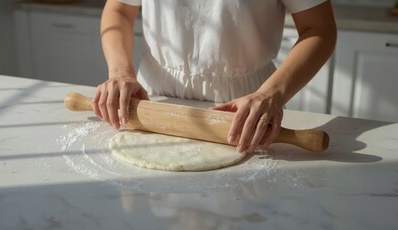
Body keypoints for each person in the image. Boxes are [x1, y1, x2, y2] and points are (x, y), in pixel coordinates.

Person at [93, 0, 337, 154]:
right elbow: (119, 10)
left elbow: (319, 28)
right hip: (154, 101)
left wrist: (271, 94)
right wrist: (120, 72)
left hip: (248, 108)